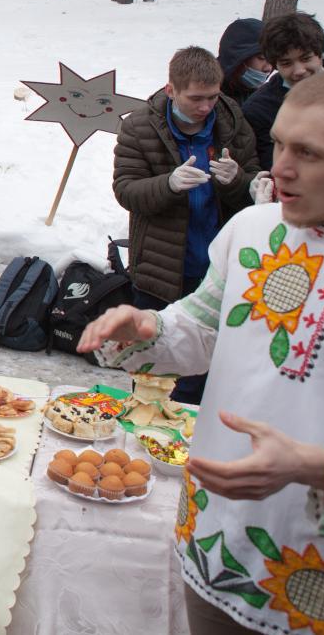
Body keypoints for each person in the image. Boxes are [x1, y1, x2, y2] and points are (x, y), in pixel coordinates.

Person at [80, 68, 324, 635]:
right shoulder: (251, 230)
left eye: (309, 153)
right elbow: (199, 330)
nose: (280, 168)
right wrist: (145, 328)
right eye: (278, 144)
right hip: (214, 551)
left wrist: (313, 466)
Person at [112, 46, 258, 402]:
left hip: (214, 268)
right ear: (171, 90)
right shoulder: (139, 127)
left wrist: (238, 180)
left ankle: (184, 443)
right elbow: (126, 190)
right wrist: (169, 184)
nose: (205, 107)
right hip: (159, 268)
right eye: (195, 98)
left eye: (212, 97)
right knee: (151, 363)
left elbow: (253, 190)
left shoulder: (233, 123)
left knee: (199, 370)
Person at [243, 12, 324, 169]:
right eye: (286, 63)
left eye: (306, 59)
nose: (299, 70)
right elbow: (274, 166)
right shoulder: (260, 109)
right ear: (274, 65)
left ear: (320, 54)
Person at [216, 17, 269, 106]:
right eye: (261, 58)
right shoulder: (204, 93)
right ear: (238, 56)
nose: (268, 68)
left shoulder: (263, 97)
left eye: (272, 59)